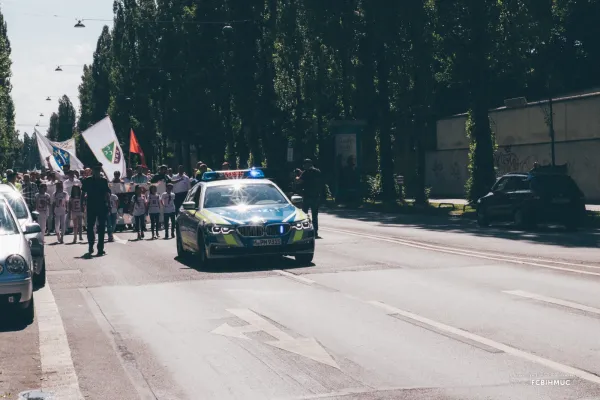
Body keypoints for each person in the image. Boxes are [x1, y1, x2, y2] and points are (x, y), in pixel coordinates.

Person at [82, 162, 111, 257]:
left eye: (99, 170)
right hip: (91, 206)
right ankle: (91, 245)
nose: (98, 171)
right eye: (96, 170)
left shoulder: (103, 181)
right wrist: (82, 204)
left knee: (102, 227)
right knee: (90, 227)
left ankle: (100, 248)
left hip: (102, 206)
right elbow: (83, 192)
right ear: (93, 171)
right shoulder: (88, 180)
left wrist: (109, 205)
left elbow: (107, 194)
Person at [296, 159, 323, 238]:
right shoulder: (318, 172)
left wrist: (298, 176)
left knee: (304, 216)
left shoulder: (306, 172)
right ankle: (315, 232)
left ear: (307, 164)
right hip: (316, 196)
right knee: (315, 216)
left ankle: (304, 232)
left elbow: (299, 181)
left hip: (307, 196)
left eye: (304, 164)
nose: (304, 166)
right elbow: (321, 183)